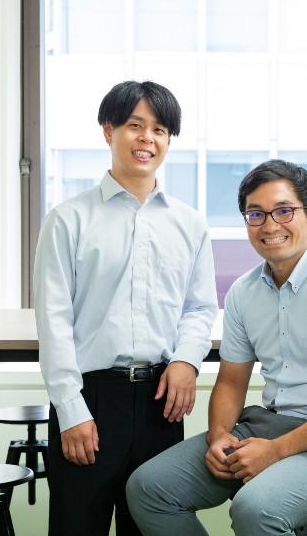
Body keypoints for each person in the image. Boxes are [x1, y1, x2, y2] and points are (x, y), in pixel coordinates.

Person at [126, 159, 307, 536]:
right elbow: (231, 382)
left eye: (284, 211)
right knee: (149, 489)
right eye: (256, 214)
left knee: (257, 508)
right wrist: (219, 435)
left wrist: (276, 451)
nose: (269, 225)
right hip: (267, 425)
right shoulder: (243, 293)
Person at [34, 80, 218, 536]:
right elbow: (54, 322)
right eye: (135, 126)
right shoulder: (68, 219)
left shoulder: (190, 223)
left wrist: (186, 361)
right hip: (90, 399)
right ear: (108, 131)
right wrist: (71, 410)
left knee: (151, 527)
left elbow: (200, 308)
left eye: (159, 130)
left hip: (161, 401)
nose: (147, 139)